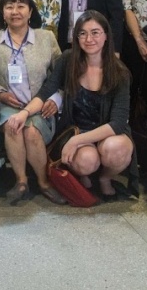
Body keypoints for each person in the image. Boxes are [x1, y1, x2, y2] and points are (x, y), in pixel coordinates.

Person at [0, 0, 65, 205]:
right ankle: (21, 182)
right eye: (9, 7)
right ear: (2, 13)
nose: (15, 11)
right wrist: (0, 93)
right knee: (14, 125)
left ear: (30, 12)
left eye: (21, 6)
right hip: (7, 106)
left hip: (40, 105)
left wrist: (56, 99)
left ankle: (44, 183)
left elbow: (62, 76)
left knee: (31, 132)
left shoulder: (46, 38)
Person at [56, 11, 136, 200]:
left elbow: (118, 123)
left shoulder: (120, 72)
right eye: (82, 33)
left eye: (95, 32)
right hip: (75, 130)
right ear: (76, 37)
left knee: (117, 148)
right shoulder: (68, 60)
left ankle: (105, 177)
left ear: (106, 36)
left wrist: (75, 142)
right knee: (87, 160)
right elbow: (47, 89)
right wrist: (25, 113)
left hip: (106, 133)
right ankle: (83, 173)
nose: (89, 39)